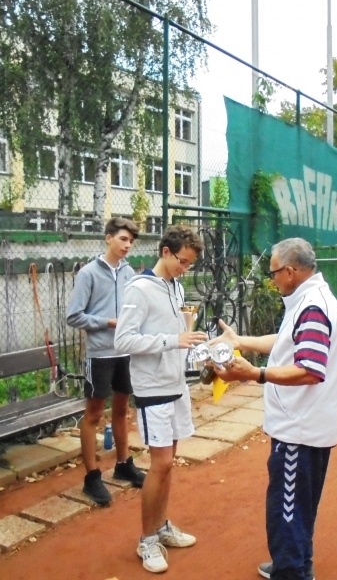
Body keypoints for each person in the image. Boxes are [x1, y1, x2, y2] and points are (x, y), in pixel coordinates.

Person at [211, 237, 337, 580]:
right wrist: (240, 342)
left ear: (289, 271)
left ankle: (291, 571)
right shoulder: (309, 300)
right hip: (308, 426)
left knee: (286, 512)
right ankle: (298, 564)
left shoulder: (312, 306)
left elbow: (309, 369)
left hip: (298, 431)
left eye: (273, 274)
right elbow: (286, 340)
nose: (272, 282)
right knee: (300, 507)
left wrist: (255, 373)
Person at [114, 224, 208, 574]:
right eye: (182, 261)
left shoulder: (175, 286)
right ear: (166, 252)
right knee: (161, 463)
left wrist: (195, 347)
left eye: (189, 264)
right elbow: (123, 341)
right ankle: (147, 538)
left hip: (176, 383)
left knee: (171, 462)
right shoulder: (139, 289)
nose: (185, 268)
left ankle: (162, 525)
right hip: (152, 387)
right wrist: (173, 341)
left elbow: (176, 336)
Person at [66, 217, 146, 505]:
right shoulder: (88, 273)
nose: (127, 246)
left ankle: (123, 464)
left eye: (131, 242)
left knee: (123, 409)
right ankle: (92, 476)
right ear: (109, 238)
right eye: (123, 239)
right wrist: (108, 323)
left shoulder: (129, 273)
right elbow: (74, 316)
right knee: (94, 413)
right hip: (99, 354)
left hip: (126, 351)